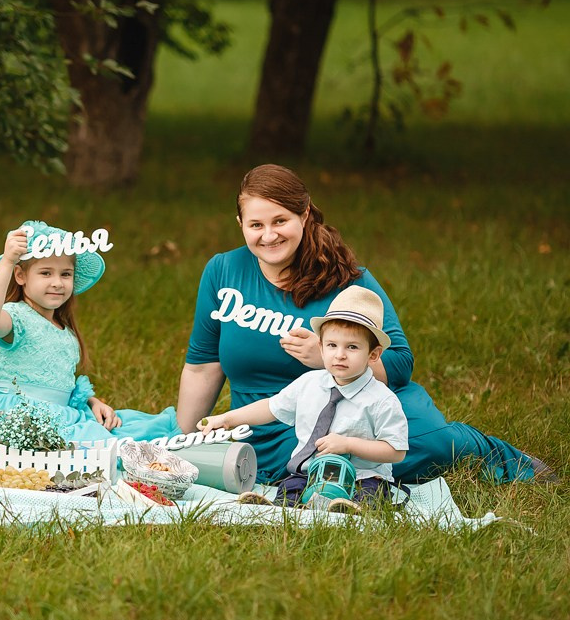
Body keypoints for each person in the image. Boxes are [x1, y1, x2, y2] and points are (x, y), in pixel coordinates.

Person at [178, 163, 555, 484]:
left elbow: (400, 361)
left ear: (305, 214)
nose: (269, 235)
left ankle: (487, 452)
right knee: (313, 467)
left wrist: (322, 357)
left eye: (281, 220)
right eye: (256, 224)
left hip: (362, 402)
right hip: (274, 420)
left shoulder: (344, 278)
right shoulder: (223, 271)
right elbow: (202, 363)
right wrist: (181, 442)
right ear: (241, 223)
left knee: (424, 445)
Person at [0, 221, 179, 462]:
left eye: (65, 274)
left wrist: (91, 402)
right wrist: (8, 261)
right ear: (20, 275)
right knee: (104, 451)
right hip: (18, 416)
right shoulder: (16, 318)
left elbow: (61, 384)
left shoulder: (66, 332)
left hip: (61, 414)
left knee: (133, 430)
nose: (58, 282)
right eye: (46, 273)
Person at [198, 286, 409, 512]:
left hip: (363, 475)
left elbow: (396, 451)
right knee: (291, 486)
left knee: (371, 493)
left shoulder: (381, 400)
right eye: (332, 345)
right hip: (310, 471)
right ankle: (280, 508)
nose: (340, 354)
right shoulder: (309, 383)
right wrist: (228, 419)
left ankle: (351, 509)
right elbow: (271, 408)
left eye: (352, 347)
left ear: (373, 354)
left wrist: (349, 444)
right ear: (320, 346)